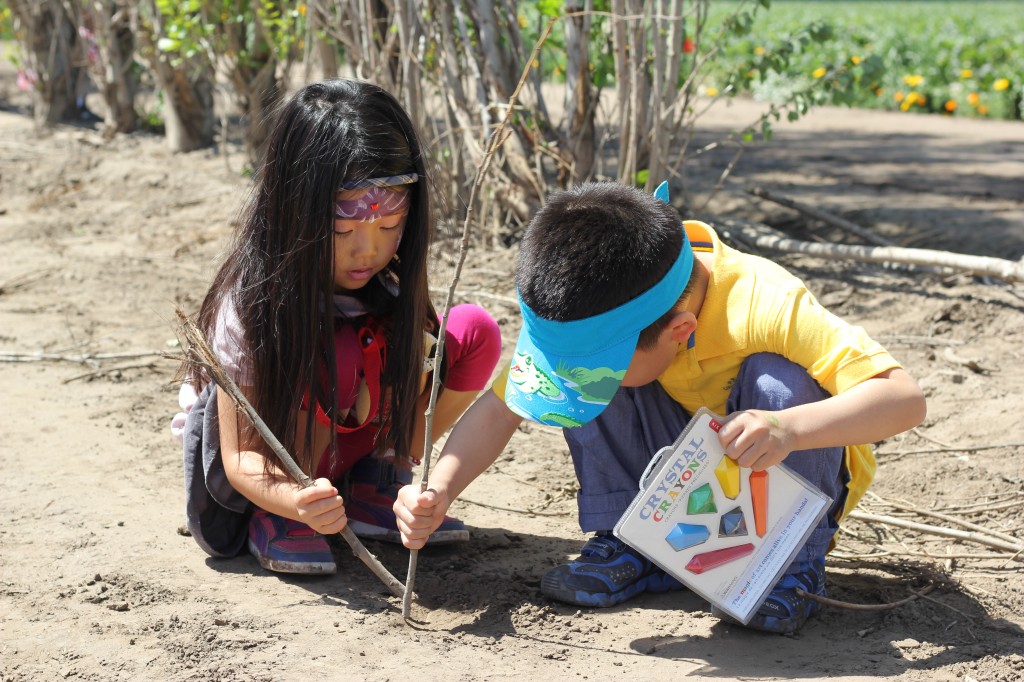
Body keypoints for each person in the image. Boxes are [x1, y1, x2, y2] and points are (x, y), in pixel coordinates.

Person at [394, 181, 926, 634]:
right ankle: (638, 544)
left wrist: (786, 428)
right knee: (583, 388)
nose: (576, 377)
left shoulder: (765, 302)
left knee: (779, 382)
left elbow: (903, 399)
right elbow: (502, 408)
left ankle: (787, 565)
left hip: (779, 470)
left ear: (680, 331)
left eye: (595, 366)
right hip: (676, 470)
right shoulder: (605, 295)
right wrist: (438, 489)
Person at [173, 79, 502, 575]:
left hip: (348, 441)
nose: (367, 251)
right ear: (294, 214)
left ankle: (377, 478)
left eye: (389, 228)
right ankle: (279, 518)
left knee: (473, 331)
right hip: (265, 465)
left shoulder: (388, 283)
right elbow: (240, 458)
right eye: (343, 230)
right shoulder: (252, 305)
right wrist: (290, 498)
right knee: (340, 352)